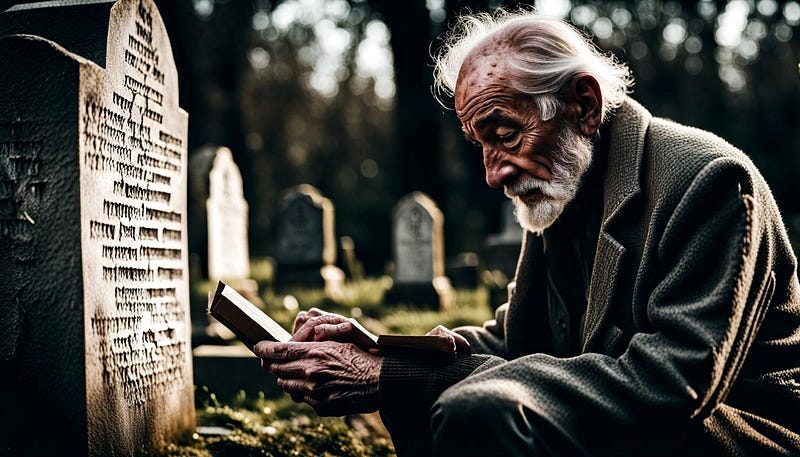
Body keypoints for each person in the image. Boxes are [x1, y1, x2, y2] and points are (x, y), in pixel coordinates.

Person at [254, 7, 800, 456]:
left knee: (479, 407)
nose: (494, 173)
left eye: (506, 134)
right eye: (481, 144)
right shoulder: (569, 178)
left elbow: (672, 384)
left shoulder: (710, 182)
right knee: (428, 388)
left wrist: (409, 376)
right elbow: (517, 339)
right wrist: (383, 352)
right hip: (657, 415)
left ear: (583, 105)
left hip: (738, 431)